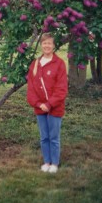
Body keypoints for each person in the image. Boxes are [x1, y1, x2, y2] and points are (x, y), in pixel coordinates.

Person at [27, 33, 68, 173]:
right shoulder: (35, 64)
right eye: (44, 43)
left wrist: (49, 104)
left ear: (54, 45)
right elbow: (31, 88)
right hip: (40, 108)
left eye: (49, 43)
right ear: (41, 45)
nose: (47, 46)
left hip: (55, 108)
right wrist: (39, 104)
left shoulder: (59, 64)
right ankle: (47, 161)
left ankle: (55, 163)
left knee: (54, 137)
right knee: (44, 137)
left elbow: (61, 89)